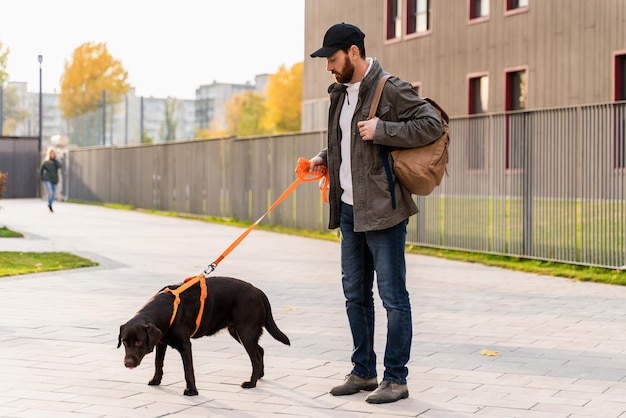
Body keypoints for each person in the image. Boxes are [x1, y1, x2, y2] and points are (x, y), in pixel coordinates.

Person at [308, 22, 444, 404]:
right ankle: (363, 372)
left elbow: (432, 124)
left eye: (332, 59)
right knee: (354, 294)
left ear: (353, 52)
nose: (328, 68)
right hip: (350, 210)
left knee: (392, 297)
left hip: (384, 210)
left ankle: (395, 379)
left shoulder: (391, 88)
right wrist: (323, 158)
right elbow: (345, 140)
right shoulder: (339, 94)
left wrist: (384, 129)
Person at [39, 147, 62, 212]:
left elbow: (60, 166)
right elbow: (40, 171)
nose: (52, 154)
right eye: (51, 153)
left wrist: (56, 159)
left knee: (53, 194)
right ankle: (50, 205)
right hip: (48, 179)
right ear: (49, 154)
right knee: (50, 193)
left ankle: (50, 204)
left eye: (53, 153)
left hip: (55, 180)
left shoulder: (56, 162)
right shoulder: (46, 162)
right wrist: (43, 177)